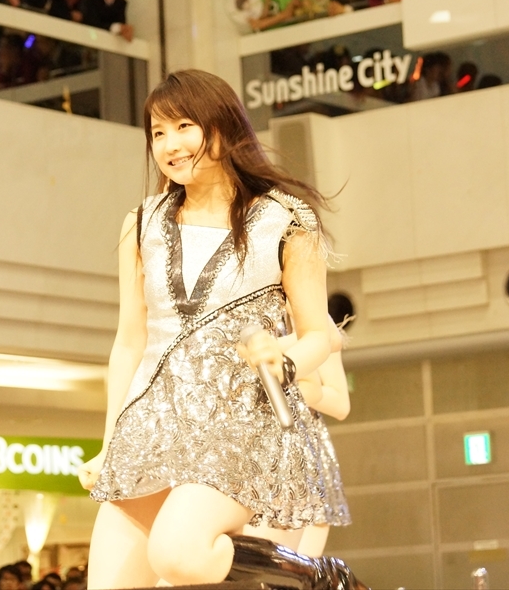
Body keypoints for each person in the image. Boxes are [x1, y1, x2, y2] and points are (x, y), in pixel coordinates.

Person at [77, 69, 367, 588]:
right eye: (157, 133)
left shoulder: (286, 220)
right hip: (150, 428)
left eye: (183, 126)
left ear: (222, 126)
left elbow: (320, 335)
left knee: (178, 555)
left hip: (241, 427)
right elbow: (129, 342)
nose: (169, 145)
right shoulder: (141, 223)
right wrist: (108, 442)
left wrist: (285, 361)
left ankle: (312, 575)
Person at [243, 315, 352, 557]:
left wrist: (284, 378)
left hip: (299, 448)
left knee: (292, 564)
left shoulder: (307, 318)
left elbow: (340, 403)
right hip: (252, 448)